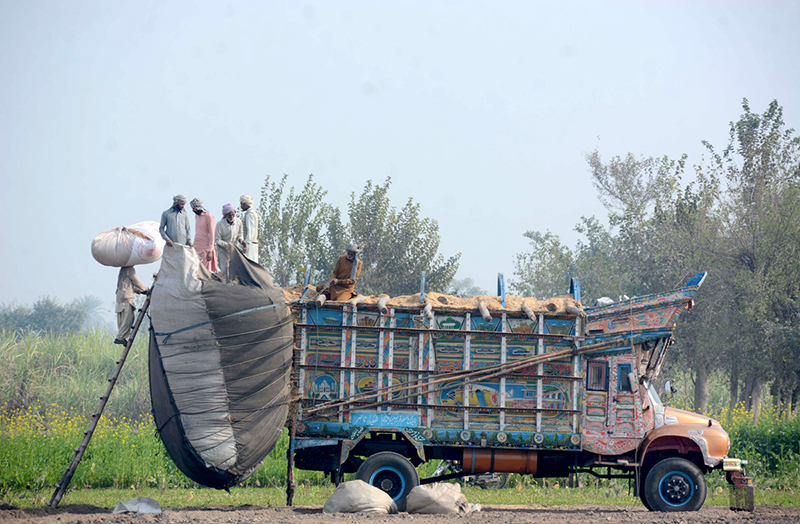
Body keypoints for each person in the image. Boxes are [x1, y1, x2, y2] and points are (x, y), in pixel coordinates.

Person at [114, 266, 149, 345]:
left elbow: (128, 285)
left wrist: (140, 291)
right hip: (126, 298)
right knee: (129, 319)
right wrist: (146, 289)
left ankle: (121, 337)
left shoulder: (123, 269)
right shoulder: (130, 269)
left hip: (120, 298)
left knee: (122, 320)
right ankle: (120, 337)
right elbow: (136, 282)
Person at [215, 203, 243, 279]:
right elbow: (217, 240)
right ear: (226, 215)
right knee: (224, 269)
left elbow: (240, 234)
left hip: (234, 249)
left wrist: (241, 240)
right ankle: (225, 283)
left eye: (233, 215)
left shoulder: (238, 222)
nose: (231, 217)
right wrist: (227, 245)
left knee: (234, 269)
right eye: (229, 215)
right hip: (223, 250)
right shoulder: (220, 224)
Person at [190, 198, 218, 272]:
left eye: (194, 208)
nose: (193, 210)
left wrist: (210, 250)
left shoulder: (208, 216)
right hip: (197, 245)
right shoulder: (196, 216)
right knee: (196, 268)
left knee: (205, 270)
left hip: (206, 247)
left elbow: (212, 234)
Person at [240, 194, 259, 263]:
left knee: (248, 264)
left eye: (241, 204)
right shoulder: (251, 213)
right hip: (251, 244)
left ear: (245, 204)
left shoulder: (250, 214)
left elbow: (250, 231)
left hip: (250, 245)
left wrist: (246, 245)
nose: (241, 206)